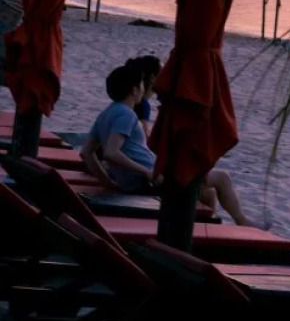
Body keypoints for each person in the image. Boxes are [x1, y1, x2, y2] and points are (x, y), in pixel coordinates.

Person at [79, 64, 252, 226]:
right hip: (151, 180)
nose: (143, 88)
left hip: (140, 180)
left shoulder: (106, 114)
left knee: (208, 193)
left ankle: (201, 226)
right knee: (222, 177)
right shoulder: (127, 115)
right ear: (134, 89)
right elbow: (111, 152)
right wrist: (145, 172)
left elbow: (86, 152)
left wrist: (108, 182)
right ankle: (242, 223)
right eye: (141, 84)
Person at [124, 54, 162, 138]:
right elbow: (144, 138)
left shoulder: (127, 100)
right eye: (163, 73)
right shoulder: (142, 105)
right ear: (152, 78)